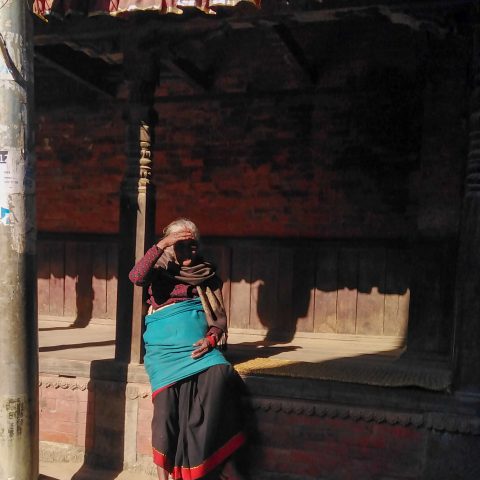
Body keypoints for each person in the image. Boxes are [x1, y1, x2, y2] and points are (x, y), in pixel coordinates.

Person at [129, 218, 247, 480]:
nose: (188, 250)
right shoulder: (159, 269)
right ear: (170, 246)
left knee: (221, 375)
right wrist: (162, 245)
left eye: (193, 245)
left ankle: (210, 461)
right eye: (181, 244)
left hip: (200, 351)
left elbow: (217, 319)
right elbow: (136, 276)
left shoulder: (207, 274)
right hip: (165, 353)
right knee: (166, 413)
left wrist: (211, 340)